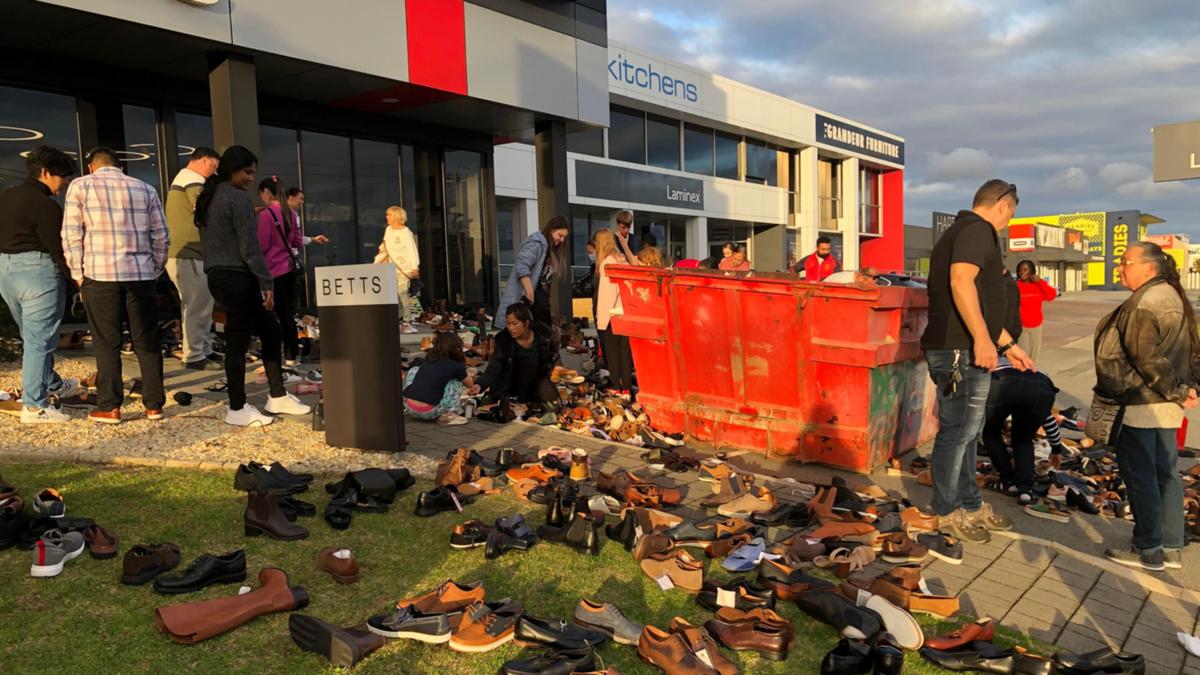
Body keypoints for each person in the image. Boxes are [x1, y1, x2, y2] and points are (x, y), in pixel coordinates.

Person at [920, 179, 1034, 542]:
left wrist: (1008, 344)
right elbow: (961, 282)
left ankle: (969, 504)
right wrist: (982, 340)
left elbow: (981, 302)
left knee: (968, 433)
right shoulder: (977, 230)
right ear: (1002, 204)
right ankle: (946, 510)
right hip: (959, 349)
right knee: (957, 432)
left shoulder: (968, 231)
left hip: (967, 347)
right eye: (1010, 214)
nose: (1008, 222)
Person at [1096, 241, 1198, 572]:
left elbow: (1146, 359)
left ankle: (1148, 549)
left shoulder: (1144, 303)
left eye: (1126, 262)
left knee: (1141, 477)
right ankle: (1171, 547)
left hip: (1141, 405)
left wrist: (1179, 391)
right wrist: (1187, 389)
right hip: (1165, 405)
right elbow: (1192, 351)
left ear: (1149, 267)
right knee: (1166, 474)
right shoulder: (1173, 297)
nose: (1120, 268)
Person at [194, 145, 310, 427]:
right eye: (247, 172)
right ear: (233, 169)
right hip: (237, 276)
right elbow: (250, 247)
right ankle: (237, 408)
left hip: (219, 275)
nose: (250, 178)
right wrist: (266, 282)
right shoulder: (236, 198)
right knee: (238, 341)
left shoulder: (209, 196)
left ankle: (277, 395)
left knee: (270, 330)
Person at [62, 147, 169, 425]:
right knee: (146, 339)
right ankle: (154, 406)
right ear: (119, 166)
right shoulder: (145, 188)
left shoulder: (80, 186)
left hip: (99, 274)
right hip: (141, 274)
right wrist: (155, 268)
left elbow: (71, 234)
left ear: (91, 166)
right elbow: (161, 235)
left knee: (106, 341)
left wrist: (77, 273)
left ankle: (110, 407)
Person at [0, 145, 78, 423]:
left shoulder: (7, 196)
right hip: (38, 271)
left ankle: (53, 384)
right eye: (62, 177)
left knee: (32, 337)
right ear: (45, 172)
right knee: (39, 340)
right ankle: (34, 407)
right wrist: (76, 280)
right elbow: (58, 249)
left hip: (6, 270)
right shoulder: (47, 206)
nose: (64, 183)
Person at [982, 273, 1059, 505]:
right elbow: (1048, 419)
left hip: (1002, 381)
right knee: (1023, 438)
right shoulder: (1037, 375)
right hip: (1040, 387)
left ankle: (1009, 480)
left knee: (990, 431)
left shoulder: (997, 359)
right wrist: (1056, 448)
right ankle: (1026, 489)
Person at [257, 177, 328, 365]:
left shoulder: (267, 215)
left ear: (266, 192)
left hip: (272, 270)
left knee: (272, 315)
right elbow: (296, 241)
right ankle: (292, 355)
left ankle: (276, 355)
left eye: (261, 194)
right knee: (288, 314)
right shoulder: (290, 213)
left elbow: (262, 245)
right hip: (289, 269)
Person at [165, 147, 222, 371]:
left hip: (188, 253)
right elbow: (205, 211)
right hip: (189, 253)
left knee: (200, 305)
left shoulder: (184, 178)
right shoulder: (192, 180)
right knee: (197, 305)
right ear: (204, 160)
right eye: (214, 166)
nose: (214, 172)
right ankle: (195, 355)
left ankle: (203, 349)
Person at [477, 303, 560, 408]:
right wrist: (480, 384)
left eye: (515, 324)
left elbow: (555, 359)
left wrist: (561, 372)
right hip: (509, 387)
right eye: (508, 324)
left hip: (535, 384)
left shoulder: (544, 337)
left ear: (526, 323)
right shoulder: (504, 341)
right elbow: (494, 367)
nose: (511, 328)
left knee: (551, 404)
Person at [494, 215, 569, 329]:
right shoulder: (536, 243)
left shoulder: (546, 247)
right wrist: (529, 292)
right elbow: (521, 266)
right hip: (531, 303)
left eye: (564, 237)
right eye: (560, 235)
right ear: (552, 230)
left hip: (539, 304)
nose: (562, 240)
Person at [404, 332, 478, 425]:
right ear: (457, 349)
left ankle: (408, 402)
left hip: (409, 407)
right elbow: (469, 384)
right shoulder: (456, 366)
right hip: (430, 411)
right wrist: (468, 375)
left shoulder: (427, 360)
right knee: (456, 381)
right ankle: (450, 414)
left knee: (415, 370)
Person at [594, 228, 635, 394]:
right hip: (626, 312)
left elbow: (607, 294)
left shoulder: (606, 263)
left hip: (612, 313)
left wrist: (601, 320)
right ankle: (626, 389)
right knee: (625, 354)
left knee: (612, 353)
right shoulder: (622, 259)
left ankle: (616, 388)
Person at [373, 206, 419, 334]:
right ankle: (398, 321)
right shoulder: (388, 230)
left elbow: (412, 250)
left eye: (389, 214)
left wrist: (414, 267)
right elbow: (385, 247)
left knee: (402, 294)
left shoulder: (406, 232)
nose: (386, 217)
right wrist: (378, 261)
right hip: (390, 268)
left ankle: (407, 322)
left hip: (403, 268)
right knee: (393, 296)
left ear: (396, 216)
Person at [1015, 259, 1056, 362]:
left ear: (1031, 271)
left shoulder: (1038, 286)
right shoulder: (1016, 286)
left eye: (1025, 270)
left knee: (1034, 357)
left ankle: (1031, 372)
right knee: (1023, 356)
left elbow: (1051, 295)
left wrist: (1040, 282)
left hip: (1036, 326)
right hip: (1022, 327)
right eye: (1020, 270)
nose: (1021, 272)